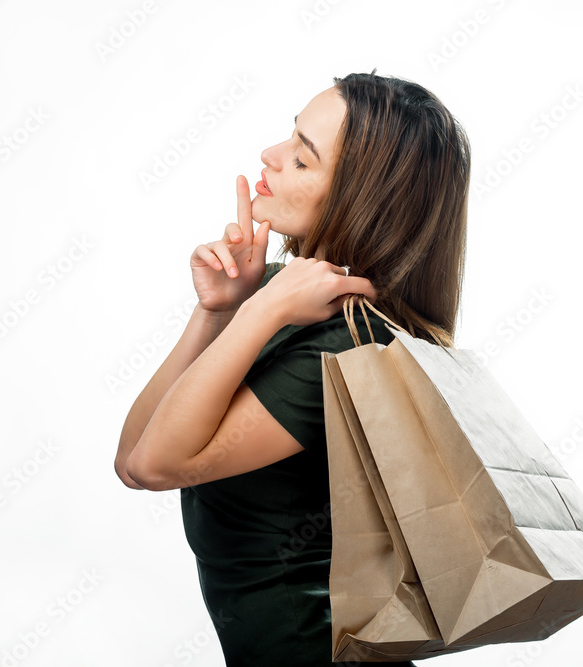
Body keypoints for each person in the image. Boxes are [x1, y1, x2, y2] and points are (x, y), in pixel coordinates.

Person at [115, 69, 470, 666]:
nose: (270, 157)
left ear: (360, 201)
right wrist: (219, 313)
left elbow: (156, 466)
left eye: (302, 161)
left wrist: (260, 312)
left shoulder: (351, 345)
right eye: (290, 138)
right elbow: (129, 458)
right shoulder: (283, 296)